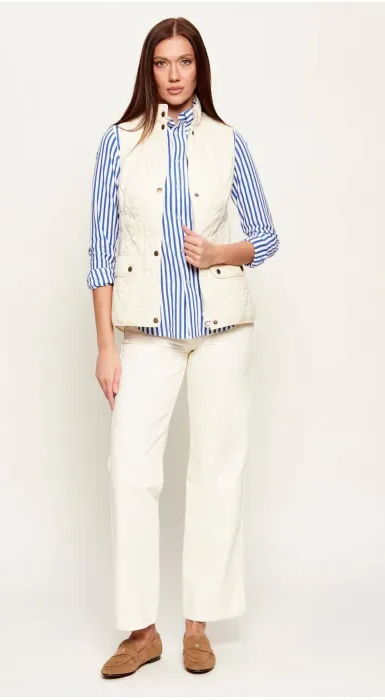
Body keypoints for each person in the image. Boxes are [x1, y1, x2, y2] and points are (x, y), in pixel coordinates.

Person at [87, 17, 279, 678]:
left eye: (185, 61)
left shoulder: (227, 141)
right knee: (130, 470)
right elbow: (100, 251)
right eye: (163, 62)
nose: (174, 74)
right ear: (149, 69)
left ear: (200, 68)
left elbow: (266, 236)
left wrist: (220, 252)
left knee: (217, 469)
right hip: (147, 332)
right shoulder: (118, 144)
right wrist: (106, 347)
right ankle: (142, 631)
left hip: (223, 327)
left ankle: (199, 624)